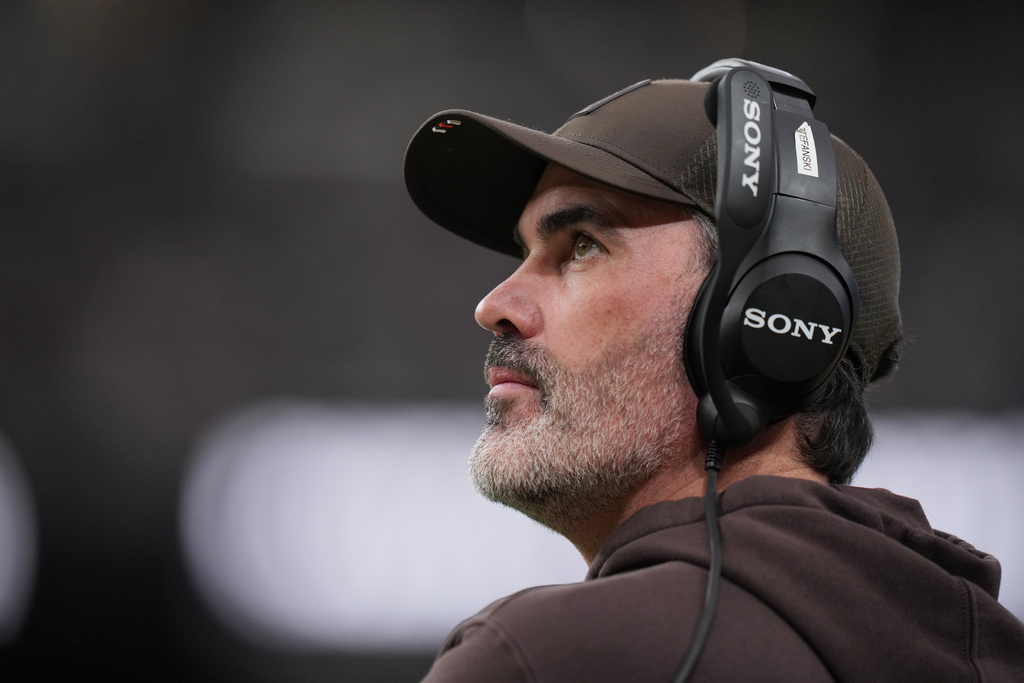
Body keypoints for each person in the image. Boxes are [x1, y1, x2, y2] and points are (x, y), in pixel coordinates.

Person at [402, 61, 1024, 682]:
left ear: (762, 318)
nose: (493, 308)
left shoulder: (543, 657)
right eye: (525, 252)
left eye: (582, 244)